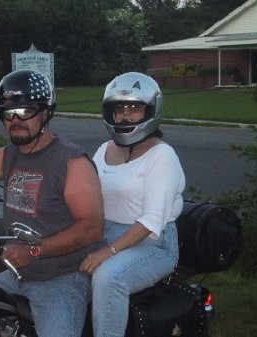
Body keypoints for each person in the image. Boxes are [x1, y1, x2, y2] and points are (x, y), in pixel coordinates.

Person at [0, 69, 104, 337]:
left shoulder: (71, 161)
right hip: (17, 273)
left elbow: (92, 228)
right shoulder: (11, 154)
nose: (15, 120)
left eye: (25, 112)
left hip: (62, 278)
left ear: (46, 113)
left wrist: (33, 251)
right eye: (7, 113)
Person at [79, 72, 185, 337]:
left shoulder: (162, 156)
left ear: (150, 111)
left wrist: (108, 252)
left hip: (152, 244)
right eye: (119, 108)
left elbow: (152, 221)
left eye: (134, 108)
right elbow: (88, 197)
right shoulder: (103, 150)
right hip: (104, 235)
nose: (125, 115)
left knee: (108, 277)